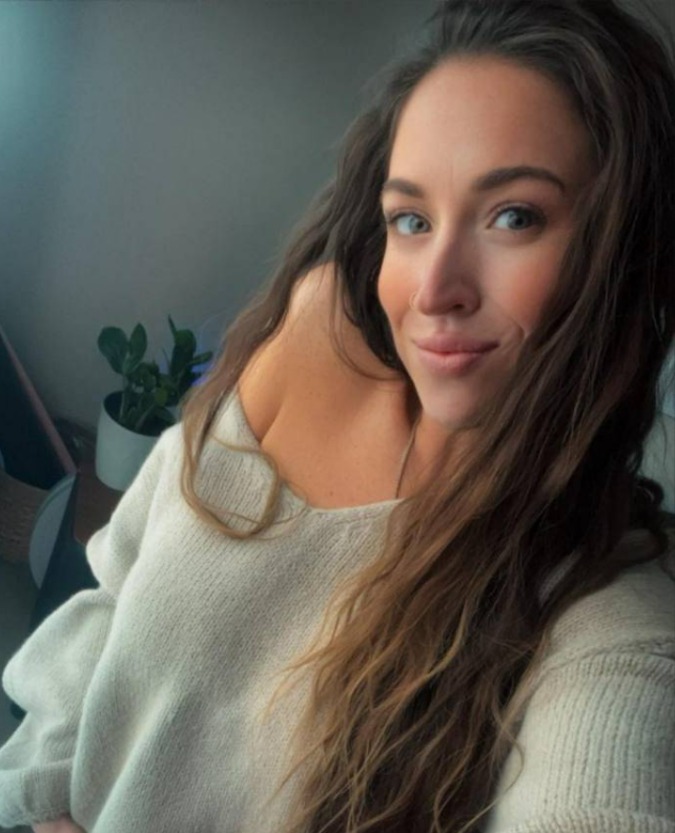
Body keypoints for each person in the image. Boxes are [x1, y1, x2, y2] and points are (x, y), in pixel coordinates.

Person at [1, 0, 674, 831]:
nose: (433, 289)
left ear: (621, 254)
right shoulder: (313, 329)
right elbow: (120, 580)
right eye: (411, 220)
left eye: (514, 216)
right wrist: (44, 798)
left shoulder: (603, 610)